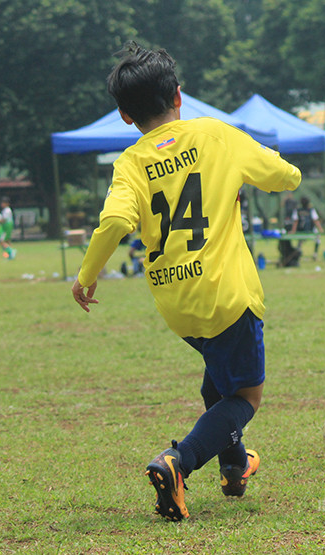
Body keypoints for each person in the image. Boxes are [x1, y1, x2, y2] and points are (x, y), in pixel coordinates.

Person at [70, 44, 301, 521]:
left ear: (125, 116)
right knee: (245, 397)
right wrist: (285, 171)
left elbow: (114, 223)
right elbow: (284, 178)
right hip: (227, 295)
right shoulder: (216, 135)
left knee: (217, 380)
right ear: (179, 94)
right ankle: (178, 462)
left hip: (177, 303)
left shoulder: (130, 163)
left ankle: (235, 466)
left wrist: (86, 277)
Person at [289, 196, 324, 261]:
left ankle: (298, 254)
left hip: (300, 230)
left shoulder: (297, 210)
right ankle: (315, 254)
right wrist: (320, 229)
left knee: (300, 242)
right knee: (318, 240)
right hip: (310, 230)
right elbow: (315, 220)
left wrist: (293, 231)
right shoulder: (311, 210)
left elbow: (295, 222)